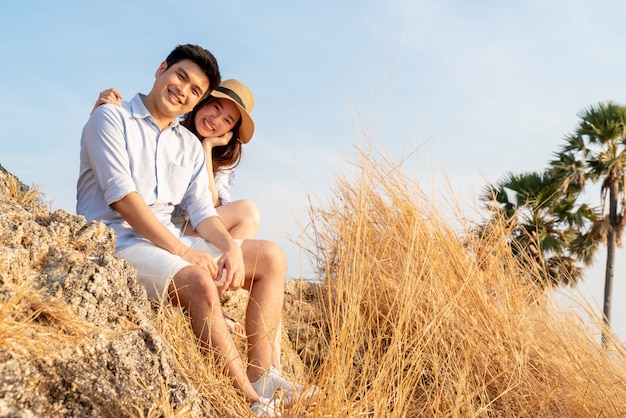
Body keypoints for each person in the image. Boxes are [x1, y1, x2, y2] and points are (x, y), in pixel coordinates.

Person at [77, 44, 311, 416]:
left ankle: (264, 376)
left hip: (166, 242)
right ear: (161, 69)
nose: (183, 91)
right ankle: (251, 404)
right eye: (180, 77)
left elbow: (202, 208)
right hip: (116, 242)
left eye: (195, 90)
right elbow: (122, 197)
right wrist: (184, 251)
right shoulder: (111, 117)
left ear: (196, 101)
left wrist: (230, 248)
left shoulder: (187, 145)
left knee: (270, 257)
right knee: (198, 281)